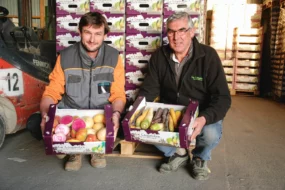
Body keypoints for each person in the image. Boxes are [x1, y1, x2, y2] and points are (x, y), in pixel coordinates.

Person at [27, 12, 126, 171]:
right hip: (71, 114)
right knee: (34, 123)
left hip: (100, 117)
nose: (92, 39)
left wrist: (115, 115)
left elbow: (118, 94)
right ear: (79, 32)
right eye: (87, 33)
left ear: (105, 35)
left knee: (127, 123)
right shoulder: (66, 56)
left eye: (98, 34)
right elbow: (51, 92)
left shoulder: (114, 57)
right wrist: (46, 116)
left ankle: (97, 148)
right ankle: (73, 149)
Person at [138, 12, 231, 180]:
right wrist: (136, 112)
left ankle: (200, 157)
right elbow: (149, 90)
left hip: (201, 112)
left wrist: (204, 118)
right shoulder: (160, 56)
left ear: (191, 32)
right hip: (172, 112)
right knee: (144, 129)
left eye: (182, 30)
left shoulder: (208, 56)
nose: (176, 37)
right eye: (171, 32)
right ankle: (177, 153)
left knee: (210, 133)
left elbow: (223, 97)